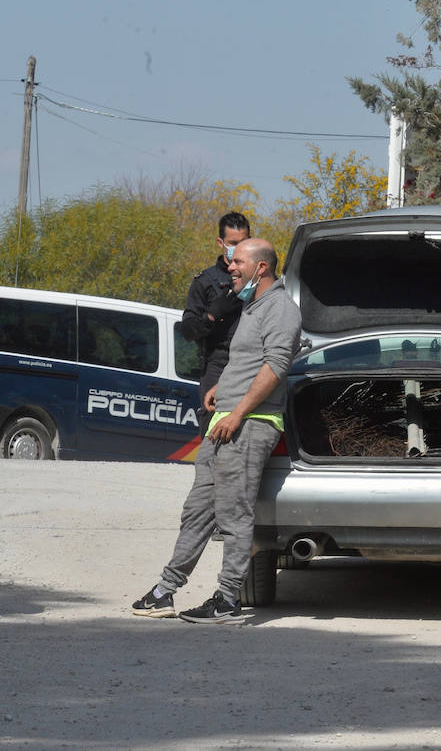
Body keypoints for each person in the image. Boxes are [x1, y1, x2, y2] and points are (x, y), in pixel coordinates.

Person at [132, 237, 301, 624]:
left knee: (233, 514)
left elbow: (275, 366)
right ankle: (164, 592)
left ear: (261, 267)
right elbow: (243, 360)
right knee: (198, 510)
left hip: (250, 424)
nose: (231, 267)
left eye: (238, 261)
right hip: (224, 420)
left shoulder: (280, 309)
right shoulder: (252, 308)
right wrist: (219, 390)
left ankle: (227, 600)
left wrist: (238, 412)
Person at [180, 212, 251, 436]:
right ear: (221, 243)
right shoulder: (205, 281)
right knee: (213, 426)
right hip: (217, 363)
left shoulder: (260, 277)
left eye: (244, 243)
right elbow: (188, 331)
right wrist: (212, 314)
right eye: (233, 244)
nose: (238, 249)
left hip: (251, 362)